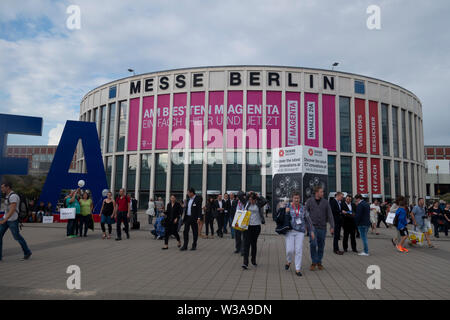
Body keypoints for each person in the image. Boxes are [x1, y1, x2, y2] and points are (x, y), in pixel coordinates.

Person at [284, 192, 314, 277]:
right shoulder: (288, 206)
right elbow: (283, 217)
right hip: (290, 231)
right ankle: (289, 260)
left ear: (300, 199)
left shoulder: (303, 208)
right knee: (289, 250)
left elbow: (308, 220)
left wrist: (311, 230)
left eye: (298, 198)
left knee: (298, 250)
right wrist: (286, 212)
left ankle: (297, 269)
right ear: (292, 198)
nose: (296, 200)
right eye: (295, 198)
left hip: (300, 232)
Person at [0, 182, 32, 261]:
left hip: (12, 220)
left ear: (8, 187)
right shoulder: (7, 196)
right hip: (6, 219)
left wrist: (5, 219)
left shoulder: (13, 196)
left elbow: (12, 209)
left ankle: (27, 252)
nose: (1, 189)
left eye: (2, 187)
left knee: (17, 237)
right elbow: (7, 210)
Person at [305, 186, 334, 271]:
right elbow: (305, 213)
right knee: (313, 244)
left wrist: (332, 226)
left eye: (323, 192)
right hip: (312, 227)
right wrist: (306, 225)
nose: (323, 193)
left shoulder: (325, 202)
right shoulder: (309, 201)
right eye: (321, 192)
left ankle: (319, 262)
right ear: (317, 192)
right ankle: (314, 262)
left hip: (322, 227)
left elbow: (330, 215)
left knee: (321, 245)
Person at [239, 192, 267, 269]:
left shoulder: (259, 204)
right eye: (250, 199)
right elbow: (239, 195)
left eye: (252, 199)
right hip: (247, 226)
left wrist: (258, 196)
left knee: (253, 244)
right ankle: (245, 262)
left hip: (256, 226)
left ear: (255, 199)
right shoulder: (246, 203)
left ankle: (253, 260)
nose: (251, 201)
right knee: (246, 244)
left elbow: (265, 201)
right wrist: (247, 193)